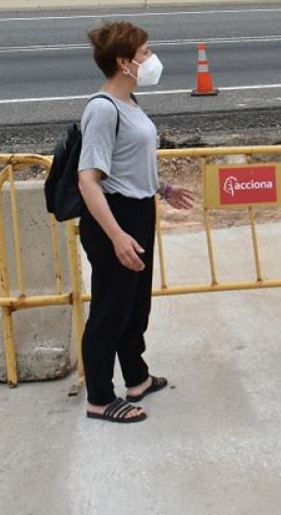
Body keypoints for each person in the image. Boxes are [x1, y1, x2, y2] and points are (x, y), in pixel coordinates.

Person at [78, 21, 194, 423]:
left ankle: (137, 378)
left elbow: (127, 165)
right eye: (144, 53)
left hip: (139, 208)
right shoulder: (102, 108)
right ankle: (98, 398)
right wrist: (117, 236)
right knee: (110, 310)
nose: (151, 59)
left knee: (134, 305)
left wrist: (162, 189)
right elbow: (89, 180)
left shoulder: (131, 104)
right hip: (114, 217)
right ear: (123, 62)